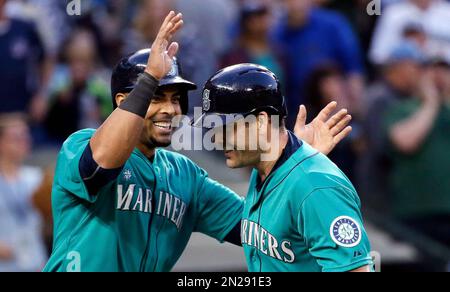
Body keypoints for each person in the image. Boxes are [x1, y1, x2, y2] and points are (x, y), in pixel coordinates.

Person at [43, 12, 352, 272]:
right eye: (156, 97)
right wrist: (150, 75)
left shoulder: (185, 176)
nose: (170, 109)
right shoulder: (79, 145)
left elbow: (258, 230)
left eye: (176, 100)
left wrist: (291, 164)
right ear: (124, 101)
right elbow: (101, 167)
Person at [193, 63, 372, 272]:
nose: (215, 138)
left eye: (224, 126)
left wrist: (304, 172)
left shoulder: (315, 186)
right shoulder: (264, 168)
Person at [0, 113, 48, 272]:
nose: (25, 141)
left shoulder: (36, 177)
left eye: (26, 135)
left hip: (36, 262)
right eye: (17, 137)